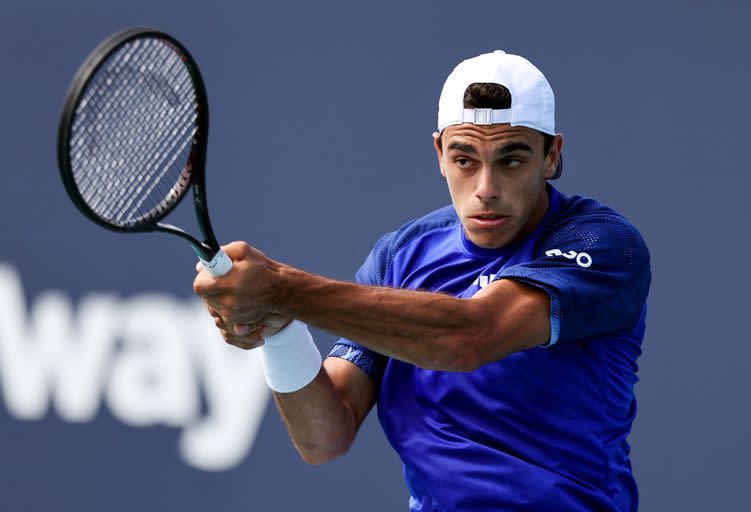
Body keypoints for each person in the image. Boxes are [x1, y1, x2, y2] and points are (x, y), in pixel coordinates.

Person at [194, 50, 651, 512]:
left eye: (511, 161)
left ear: (551, 156)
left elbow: (470, 336)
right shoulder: (400, 256)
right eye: (465, 160)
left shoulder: (603, 243)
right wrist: (279, 328)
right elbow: (325, 437)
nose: (485, 188)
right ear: (439, 154)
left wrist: (283, 290)